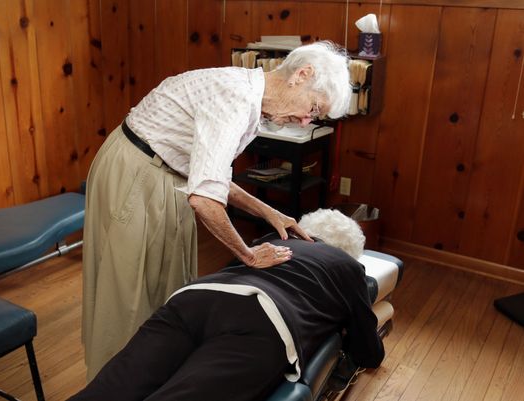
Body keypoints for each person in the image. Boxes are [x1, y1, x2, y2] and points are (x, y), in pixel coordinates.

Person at [82, 40, 352, 380]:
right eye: (313, 109)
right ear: (302, 75)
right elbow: (205, 198)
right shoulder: (235, 98)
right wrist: (248, 255)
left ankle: (153, 378)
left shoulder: (250, 101)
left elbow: (213, 175)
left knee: (168, 291)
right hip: (138, 172)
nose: (304, 121)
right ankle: (112, 384)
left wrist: (270, 212)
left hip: (168, 174)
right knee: (128, 296)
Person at [69, 210, 383, 401]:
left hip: (195, 297)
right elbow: (369, 351)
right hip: (263, 322)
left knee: (116, 387)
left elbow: (233, 273)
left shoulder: (272, 240)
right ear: (350, 252)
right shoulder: (348, 267)